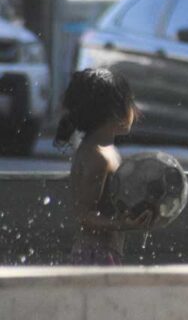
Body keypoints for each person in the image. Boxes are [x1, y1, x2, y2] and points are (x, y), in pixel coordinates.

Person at [54, 68, 152, 265]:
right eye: (130, 102)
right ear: (114, 111)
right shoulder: (97, 156)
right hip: (95, 256)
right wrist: (121, 224)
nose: (135, 109)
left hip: (105, 253)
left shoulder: (107, 151)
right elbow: (84, 214)